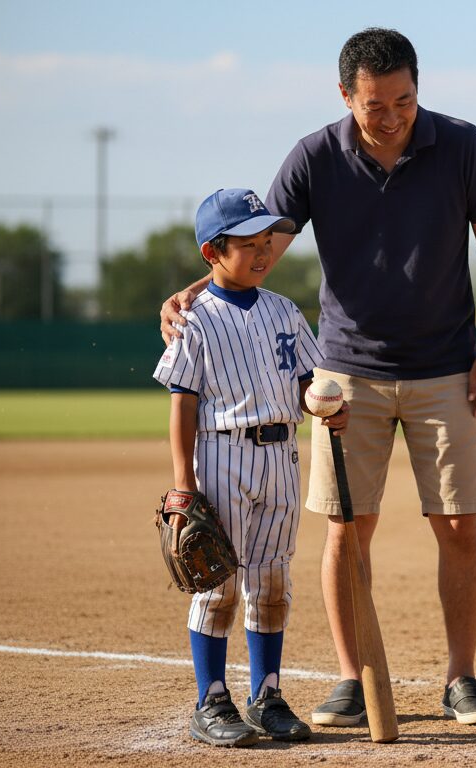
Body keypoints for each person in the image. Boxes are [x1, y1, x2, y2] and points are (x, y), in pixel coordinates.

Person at [160, 28, 476, 726]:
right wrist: (194, 290)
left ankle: (462, 679)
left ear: (419, 88)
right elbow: (256, 243)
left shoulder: (462, 144)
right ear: (346, 94)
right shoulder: (317, 155)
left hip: (446, 365)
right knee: (347, 532)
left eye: (404, 100)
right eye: (375, 104)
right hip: (345, 374)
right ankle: (353, 681)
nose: (392, 117)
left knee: (459, 526)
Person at [153, 188, 350, 747]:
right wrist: (183, 487)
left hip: (281, 454)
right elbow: (183, 404)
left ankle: (267, 694)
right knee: (217, 586)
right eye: (249, 244)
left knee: (270, 582)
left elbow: (309, 381)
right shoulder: (196, 320)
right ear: (213, 252)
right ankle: (211, 700)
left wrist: (327, 406)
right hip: (222, 455)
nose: (263, 253)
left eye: (268, 241)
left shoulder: (284, 311)